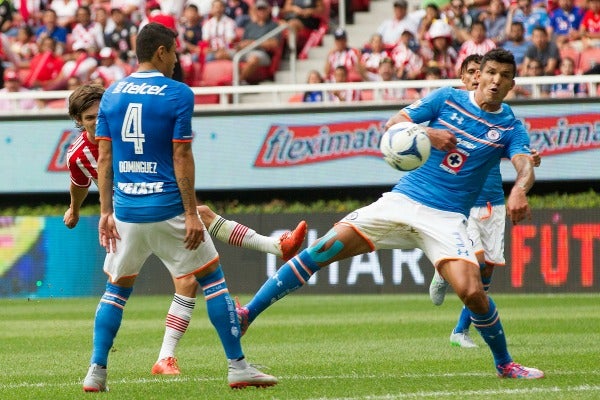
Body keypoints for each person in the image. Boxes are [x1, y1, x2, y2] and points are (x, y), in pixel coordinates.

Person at [236, 48, 545, 380]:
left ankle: (505, 364)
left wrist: (518, 189)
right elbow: (395, 123)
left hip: (447, 219)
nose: (496, 80)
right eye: (491, 72)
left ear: (513, 82)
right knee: (323, 248)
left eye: (504, 75)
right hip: (402, 200)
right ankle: (247, 315)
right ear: (478, 74)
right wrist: (428, 133)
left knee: (473, 292)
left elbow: (524, 164)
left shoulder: (511, 126)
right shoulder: (445, 99)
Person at [81, 23, 280, 392]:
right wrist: (191, 213)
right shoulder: (178, 94)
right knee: (213, 281)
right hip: (167, 207)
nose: (176, 60)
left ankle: (96, 372)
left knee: (116, 291)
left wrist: (105, 212)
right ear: (160, 52)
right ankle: (238, 366)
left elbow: (104, 157)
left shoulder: (111, 95)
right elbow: (181, 154)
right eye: (173, 52)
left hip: (125, 211)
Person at [65, 85, 306, 380]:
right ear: (78, 120)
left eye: (102, 112)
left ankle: (119, 367)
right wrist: (75, 209)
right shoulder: (85, 150)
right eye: (90, 117)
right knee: (205, 273)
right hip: (132, 217)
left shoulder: (124, 129)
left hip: (131, 216)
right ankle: (231, 364)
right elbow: (80, 182)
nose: (99, 118)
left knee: (176, 271)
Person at [428, 54, 542, 348]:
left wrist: (528, 159)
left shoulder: (502, 121)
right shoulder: (452, 111)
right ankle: (444, 269)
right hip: (461, 203)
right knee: (475, 263)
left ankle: (460, 331)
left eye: (486, 72)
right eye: (474, 72)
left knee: (488, 269)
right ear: (466, 78)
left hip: (493, 202)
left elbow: (512, 151)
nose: (481, 77)